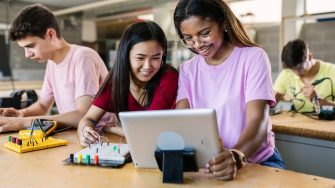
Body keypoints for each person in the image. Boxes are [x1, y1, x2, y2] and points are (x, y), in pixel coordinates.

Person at [173, 0, 285, 180]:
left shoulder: (253, 57)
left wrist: (235, 155)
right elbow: (182, 119)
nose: (197, 44)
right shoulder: (187, 69)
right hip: (212, 164)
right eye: (188, 38)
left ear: (223, 22)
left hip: (257, 162)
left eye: (204, 33)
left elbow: (258, 121)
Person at [0, 4, 109, 133]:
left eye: (31, 46)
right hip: (75, 135)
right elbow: (42, 106)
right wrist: (21, 114)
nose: (27, 54)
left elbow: (83, 115)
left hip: (102, 137)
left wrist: (24, 122)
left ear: (50, 35)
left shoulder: (82, 57)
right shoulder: (52, 64)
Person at [77, 21, 178, 147]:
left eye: (156, 58)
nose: (147, 66)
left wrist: (110, 128)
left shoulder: (169, 77)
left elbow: (148, 131)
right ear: (126, 56)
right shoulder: (116, 81)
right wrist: (85, 131)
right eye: (140, 58)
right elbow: (88, 119)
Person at [274, 39, 335, 113]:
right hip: (294, 123)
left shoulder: (332, 71)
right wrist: (279, 103)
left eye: (299, 68)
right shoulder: (287, 73)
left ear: (309, 57)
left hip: (324, 124)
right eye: (292, 69)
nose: (295, 73)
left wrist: (317, 100)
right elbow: (280, 107)